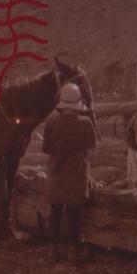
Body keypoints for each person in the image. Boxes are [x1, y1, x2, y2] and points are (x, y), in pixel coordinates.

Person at [42, 83, 97, 263]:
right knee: (73, 214)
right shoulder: (86, 122)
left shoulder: (51, 122)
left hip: (56, 173)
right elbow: (91, 147)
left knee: (55, 211)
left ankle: (52, 250)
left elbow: (46, 149)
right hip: (77, 173)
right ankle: (73, 251)